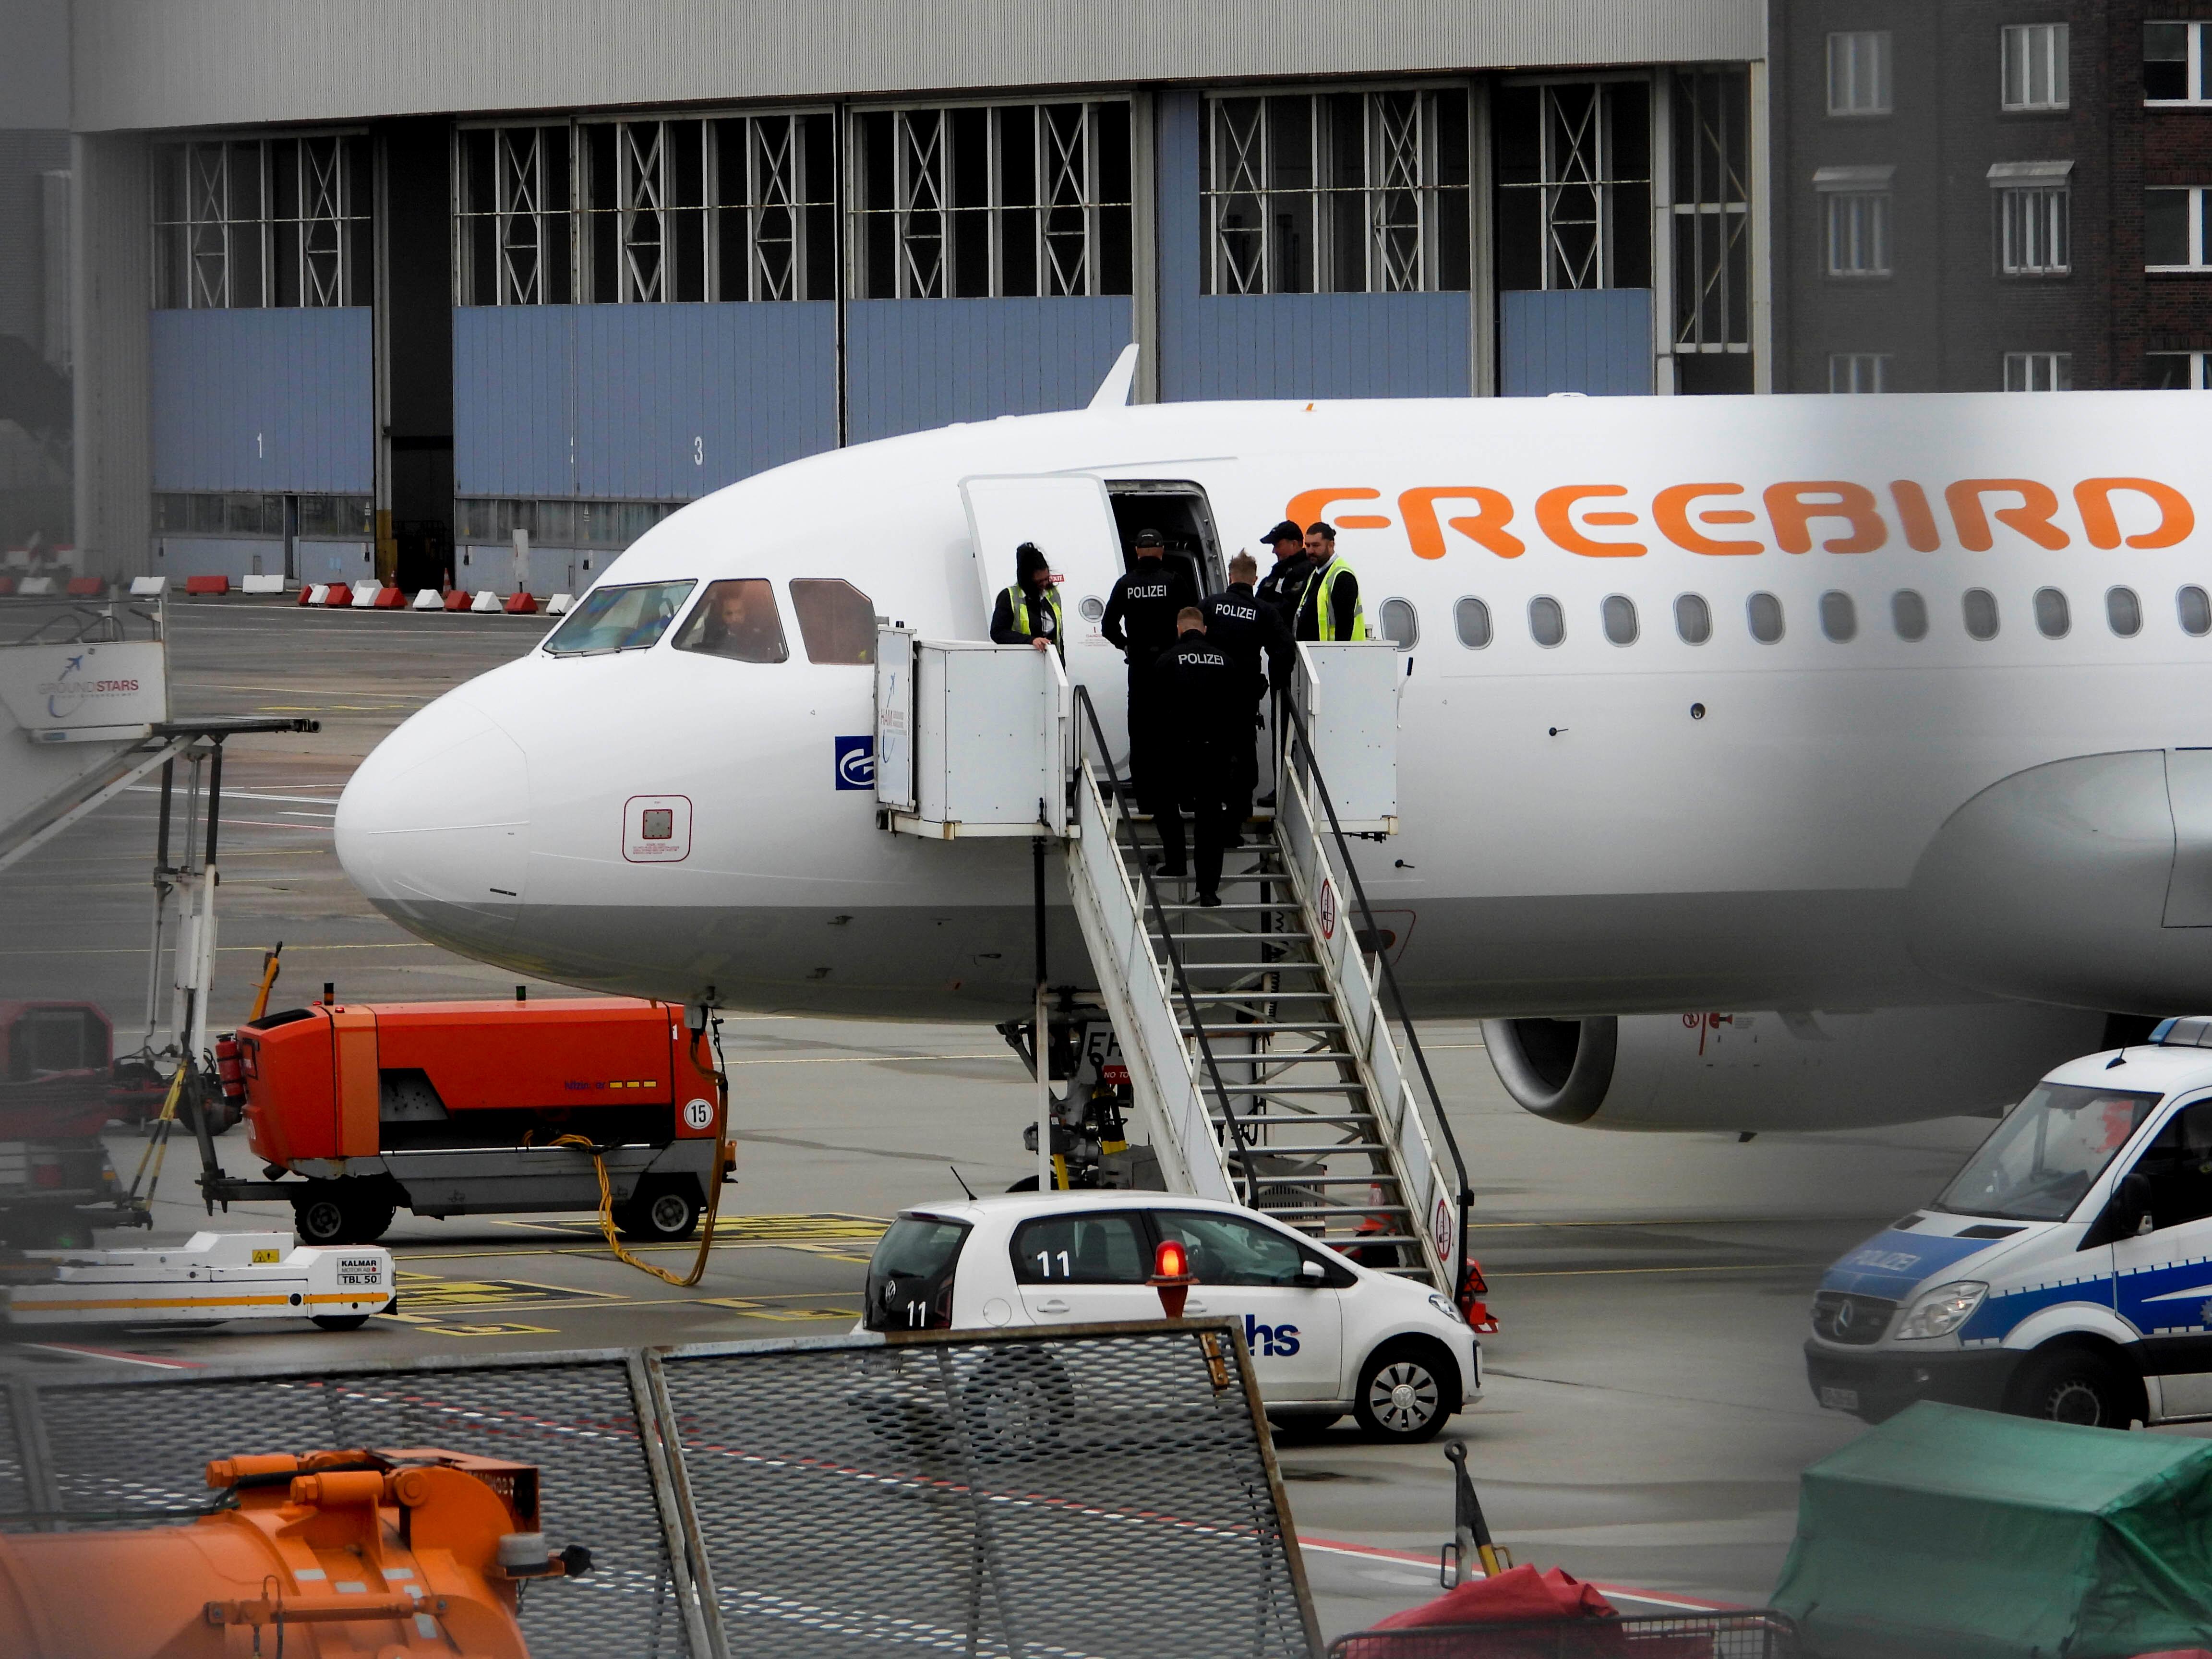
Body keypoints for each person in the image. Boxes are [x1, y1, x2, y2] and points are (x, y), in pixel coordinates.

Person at [1102, 528, 1198, 842]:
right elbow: (1191, 618)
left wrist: (1127, 646)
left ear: (1136, 552)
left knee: (1141, 734)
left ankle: (1145, 797)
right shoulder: (1174, 581)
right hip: (1172, 666)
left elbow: (1107, 627)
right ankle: (1184, 795)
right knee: (1178, 731)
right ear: (1159, 551)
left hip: (1141, 668)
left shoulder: (1125, 584)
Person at [1154, 606, 1245, 907]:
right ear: (1204, 630)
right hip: (1215, 751)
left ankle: (1176, 862)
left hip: (1178, 749)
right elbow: (1237, 710)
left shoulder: (1167, 660)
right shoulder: (1226, 661)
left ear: (1179, 629)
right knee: (1210, 821)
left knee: (1166, 805)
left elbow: (1153, 709)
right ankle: (1208, 890)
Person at [1201, 552, 1292, 838]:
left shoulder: (1209, 606)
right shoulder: (1262, 610)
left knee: (1209, 754)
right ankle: (1236, 820)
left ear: (1230, 576)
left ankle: (1209, 817)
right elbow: (1284, 648)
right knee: (1242, 755)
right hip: (1243, 696)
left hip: (1210, 692)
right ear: (1254, 578)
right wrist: (1277, 682)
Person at [1294, 520, 1365, 642]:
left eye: (1316, 546)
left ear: (1331, 545)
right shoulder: (1316, 573)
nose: (1310, 551)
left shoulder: (1342, 576)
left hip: (1332, 656)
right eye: (1308, 545)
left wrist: (1336, 655)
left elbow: (1344, 625)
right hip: (1316, 654)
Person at [989, 541, 1062, 656]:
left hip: (1052, 662)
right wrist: (1031, 640)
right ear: (1027, 579)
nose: (1045, 584)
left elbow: (1059, 637)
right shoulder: (1008, 597)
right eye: (1039, 581)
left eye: (1047, 579)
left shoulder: (1053, 594)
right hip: (1023, 663)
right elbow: (997, 632)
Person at [1253, 520, 1311, 631]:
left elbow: (1290, 608)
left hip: (1293, 642)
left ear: (1294, 544)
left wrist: (1262, 609)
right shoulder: (1278, 571)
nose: (1274, 551)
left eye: (1277, 545)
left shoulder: (1307, 570)